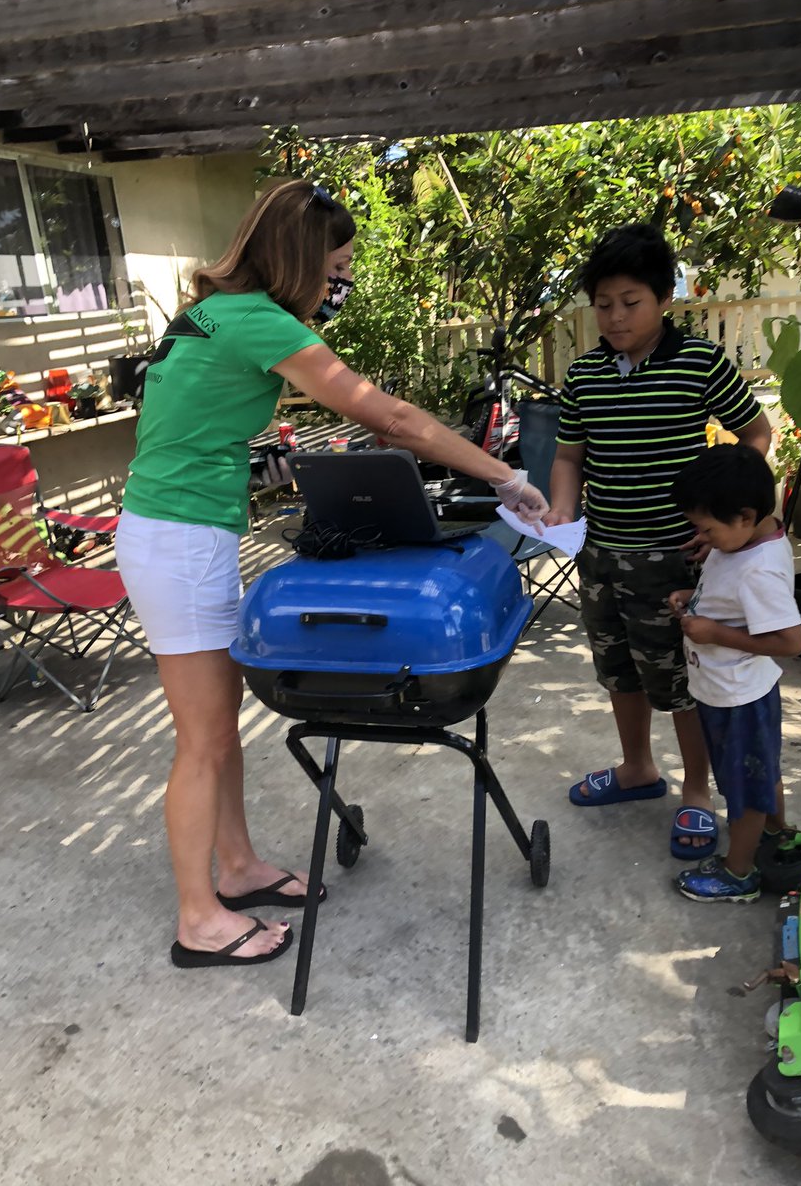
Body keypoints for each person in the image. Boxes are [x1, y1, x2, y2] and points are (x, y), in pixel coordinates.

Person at [115, 179, 548, 969]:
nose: (337, 284)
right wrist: (502, 476)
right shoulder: (256, 318)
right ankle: (197, 918)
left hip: (179, 529)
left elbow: (189, 424)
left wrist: (249, 459)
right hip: (178, 542)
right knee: (204, 743)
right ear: (300, 260)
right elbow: (385, 415)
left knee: (220, 738)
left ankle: (238, 868)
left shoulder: (211, 310)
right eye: (335, 267)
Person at [543, 224, 772, 857]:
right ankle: (637, 768)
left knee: (682, 679)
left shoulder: (699, 363)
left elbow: (756, 435)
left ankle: (695, 793)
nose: (615, 317)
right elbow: (568, 457)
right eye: (603, 304)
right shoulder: (584, 375)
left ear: (664, 297)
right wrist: (561, 509)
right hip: (601, 554)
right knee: (619, 672)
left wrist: (726, 523)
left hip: (676, 559)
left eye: (630, 302)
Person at [668, 445, 801, 901]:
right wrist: (696, 598)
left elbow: (791, 642)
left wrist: (713, 633)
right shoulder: (750, 539)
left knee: (743, 788)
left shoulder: (758, 570)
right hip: (729, 690)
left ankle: (739, 873)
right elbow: (736, 601)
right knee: (761, 772)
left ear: (745, 516)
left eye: (706, 527)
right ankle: (776, 833)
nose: (699, 535)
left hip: (739, 698)